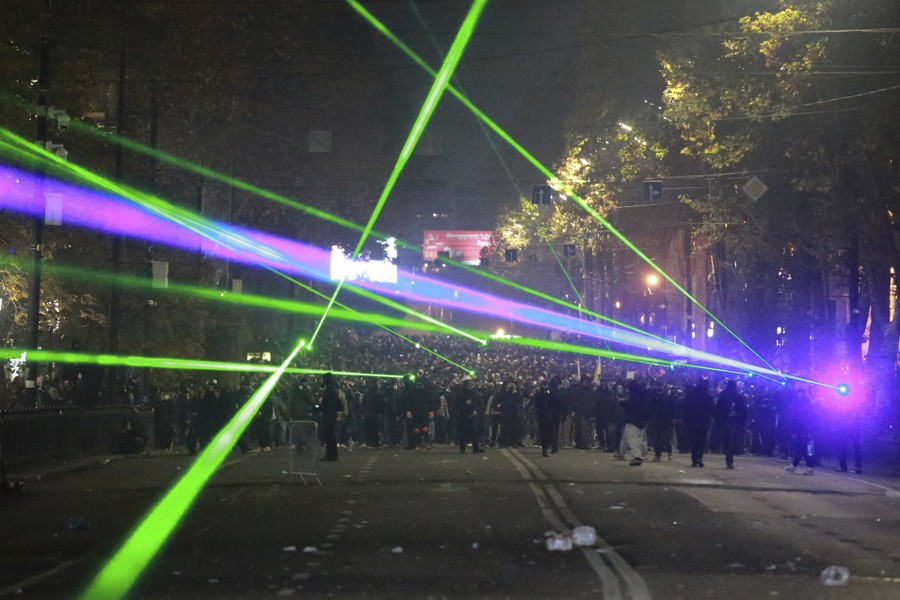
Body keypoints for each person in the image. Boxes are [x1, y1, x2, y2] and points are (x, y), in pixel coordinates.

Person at [715, 380, 747, 469]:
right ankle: (729, 459)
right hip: (734, 420)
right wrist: (742, 420)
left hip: (725, 420)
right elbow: (743, 410)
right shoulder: (738, 395)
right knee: (732, 440)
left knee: (726, 438)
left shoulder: (723, 395)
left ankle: (726, 453)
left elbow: (718, 407)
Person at [683, 378, 714, 468]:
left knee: (694, 441)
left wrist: (686, 419)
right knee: (701, 441)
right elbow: (711, 408)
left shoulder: (691, 395)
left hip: (692, 421)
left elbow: (685, 408)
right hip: (704, 421)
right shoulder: (708, 396)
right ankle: (699, 457)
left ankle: (694, 459)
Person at [455, 376, 484, 454]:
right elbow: (457, 403)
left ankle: (475, 447)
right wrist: (465, 404)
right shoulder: (460, 393)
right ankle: (463, 448)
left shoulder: (474, 392)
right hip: (464, 414)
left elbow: (480, 402)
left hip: (473, 414)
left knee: (474, 431)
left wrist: (476, 410)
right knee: (463, 431)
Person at [534, 378, 561, 457]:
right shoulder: (540, 394)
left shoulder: (552, 394)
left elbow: (556, 404)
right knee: (545, 433)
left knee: (550, 433)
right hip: (544, 416)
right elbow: (537, 404)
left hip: (550, 416)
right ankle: (545, 448)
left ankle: (549, 447)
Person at [318, 373, 341, 461]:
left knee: (330, 436)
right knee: (330, 436)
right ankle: (331, 455)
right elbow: (339, 405)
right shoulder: (332, 390)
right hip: (331, 415)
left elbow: (326, 405)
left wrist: (317, 407)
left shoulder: (329, 391)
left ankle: (331, 455)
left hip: (328, 416)